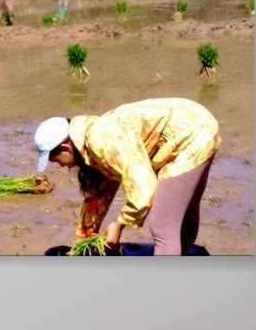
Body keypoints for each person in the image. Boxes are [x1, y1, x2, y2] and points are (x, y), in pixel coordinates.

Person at [33, 97, 221, 255]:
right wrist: (85, 238)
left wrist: (120, 224)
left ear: (66, 147)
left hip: (189, 134)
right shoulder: (87, 137)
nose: (57, 164)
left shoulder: (103, 141)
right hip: (198, 123)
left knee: (161, 224)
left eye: (54, 158)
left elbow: (144, 187)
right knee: (181, 217)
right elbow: (99, 194)